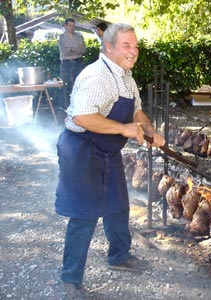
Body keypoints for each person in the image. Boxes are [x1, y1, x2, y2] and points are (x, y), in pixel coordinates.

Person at [55, 23, 165, 299]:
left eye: (136, 45)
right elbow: (81, 117)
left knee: (117, 205)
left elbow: (136, 111)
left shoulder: (126, 76)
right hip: (81, 149)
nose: (133, 51)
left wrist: (149, 130)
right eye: (126, 45)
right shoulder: (95, 76)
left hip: (107, 151)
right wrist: (123, 129)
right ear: (109, 47)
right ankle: (71, 280)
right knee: (85, 214)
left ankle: (119, 256)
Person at [58, 18, 86, 108]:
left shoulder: (78, 36)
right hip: (66, 63)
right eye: (70, 25)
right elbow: (64, 51)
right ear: (65, 26)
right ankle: (68, 108)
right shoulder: (62, 38)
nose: (72, 27)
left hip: (78, 62)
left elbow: (83, 50)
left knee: (80, 85)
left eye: (73, 25)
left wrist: (71, 49)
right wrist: (76, 49)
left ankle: (80, 107)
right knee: (67, 86)